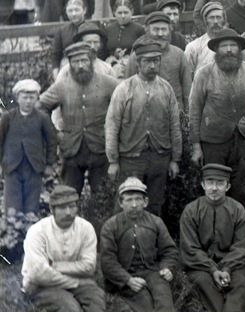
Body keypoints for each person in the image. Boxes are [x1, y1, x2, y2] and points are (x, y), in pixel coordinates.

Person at [22, 185, 125, 312]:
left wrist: (53, 265)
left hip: (72, 279)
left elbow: (88, 266)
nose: (69, 212)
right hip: (39, 285)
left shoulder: (85, 228)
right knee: (67, 301)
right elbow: (39, 273)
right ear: (52, 209)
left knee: (95, 294)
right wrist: (75, 282)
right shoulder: (37, 231)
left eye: (73, 206)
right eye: (62, 208)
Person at [100, 178, 187, 312]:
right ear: (121, 202)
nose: (134, 205)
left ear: (145, 202)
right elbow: (107, 261)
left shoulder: (155, 222)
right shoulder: (111, 226)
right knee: (141, 295)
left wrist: (167, 267)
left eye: (138, 199)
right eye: (129, 200)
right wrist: (128, 280)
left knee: (161, 288)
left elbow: (169, 250)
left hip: (151, 269)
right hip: (125, 275)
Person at [179, 164, 245, 312]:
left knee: (241, 280)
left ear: (227, 186)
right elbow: (190, 247)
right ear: (202, 184)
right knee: (202, 281)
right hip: (201, 265)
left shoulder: (237, 210)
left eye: (219, 183)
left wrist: (226, 268)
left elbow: (242, 246)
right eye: (210, 182)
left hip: (231, 263)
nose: (214, 188)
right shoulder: (191, 210)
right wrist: (213, 270)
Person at [105, 39, 182, 214]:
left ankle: (150, 240)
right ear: (138, 63)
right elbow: (112, 126)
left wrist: (175, 159)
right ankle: (122, 240)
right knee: (125, 204)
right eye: (147, 61)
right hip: (131, 159)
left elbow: (174, 126)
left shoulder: (166, 89)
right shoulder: (124, 89)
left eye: (156, 60)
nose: (152, 65)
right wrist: (113, 161)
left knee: (155, 205)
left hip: (159, 157)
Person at [189, 28, 245, 208]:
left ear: (239, 49)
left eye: (233, 45)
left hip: (242, 139)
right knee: (214, 187)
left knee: (240, 188)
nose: (229, 50)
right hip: (213, 141)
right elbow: (195, 109)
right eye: (224, 46)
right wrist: (197, 146)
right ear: (216, 50)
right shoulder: (204, 73)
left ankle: (238, 230)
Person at [38, 42, 118, 196]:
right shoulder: (61, 86)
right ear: (70, 63)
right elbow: (41, 107)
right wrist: (56, 133)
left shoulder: (108, 83)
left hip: (101, 148)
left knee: (103, 196)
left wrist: (113, 133)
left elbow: (124, 104)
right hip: (71, 150)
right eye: (75, 61)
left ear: (91, 61)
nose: (80, 65)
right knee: (68, 195)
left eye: (84, 61)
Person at [1, 79, 58, 216]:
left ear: (37, 98)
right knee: (12, 207)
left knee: (31, 205)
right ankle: (12, 233)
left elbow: (52, 141)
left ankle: (29, 229)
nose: (28, 101)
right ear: (17, 98)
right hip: (12, 166)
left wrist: (50, 164)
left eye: (32, 97)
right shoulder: (8, 117)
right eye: (24, 97)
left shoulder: (43, 118)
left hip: (34, 167)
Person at [124, 11, 193, 110]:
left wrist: (187, 115)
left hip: (174, 113)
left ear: (170, 31)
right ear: (147, 31)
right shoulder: (136, 56)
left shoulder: (178, 55)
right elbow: (127, 89)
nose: (160, 34)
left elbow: (188, 90)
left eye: (164, 29)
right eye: (156, 30)